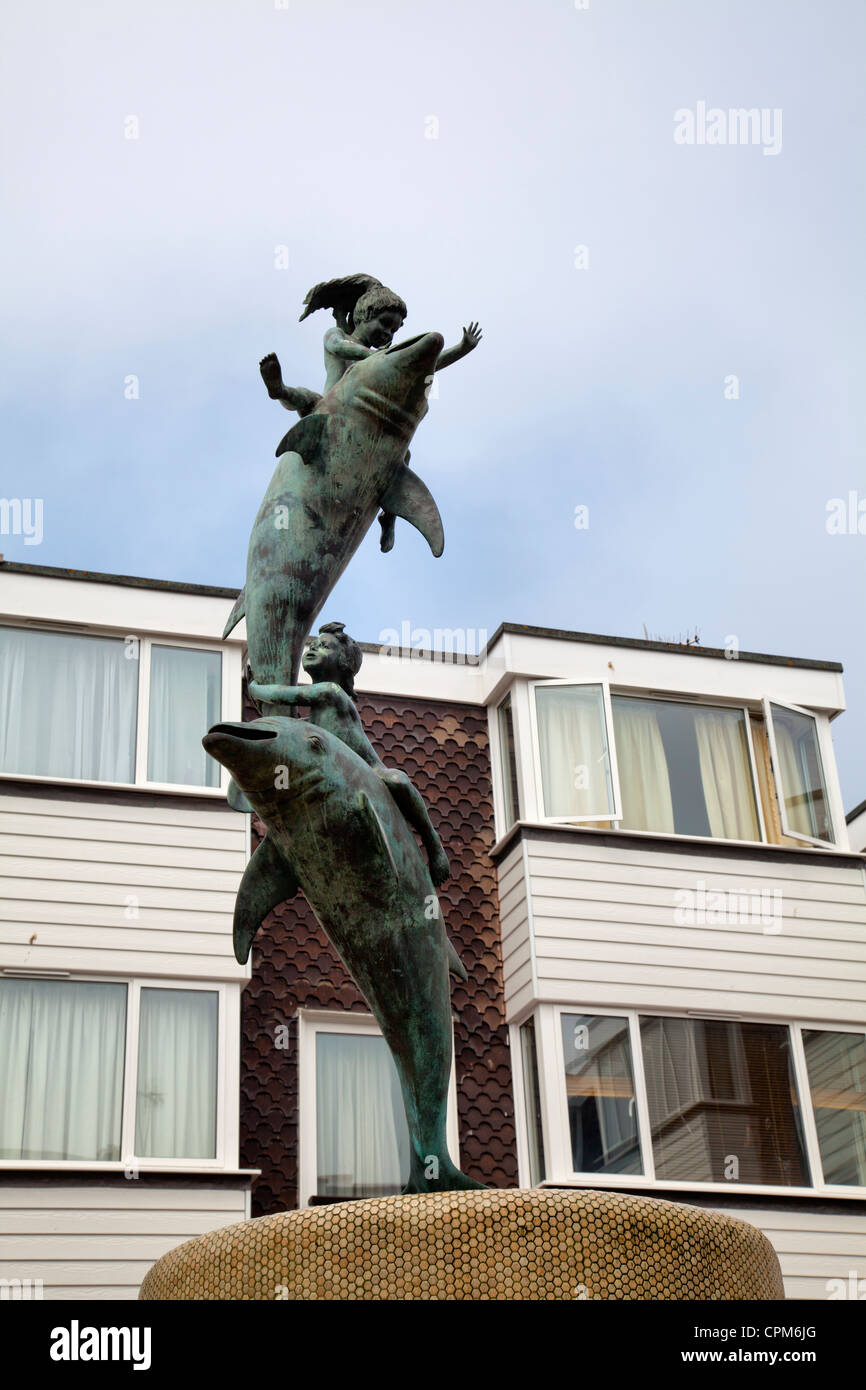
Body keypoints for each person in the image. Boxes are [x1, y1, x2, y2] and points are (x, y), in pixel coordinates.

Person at [259, 273, 481, 551]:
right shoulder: (337, 336)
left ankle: (389, 517)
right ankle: (278, 389)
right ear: (363, 315)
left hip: (360, 423)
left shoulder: (381, 356)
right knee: (306, 398)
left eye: (394, 330)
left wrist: (461, 349)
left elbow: (423, 365)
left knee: (403, 455)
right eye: (385, 324)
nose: (388, 334)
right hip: (331, 408)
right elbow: (340, 348)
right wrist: (379, 360)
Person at [249, 621, 451, 886]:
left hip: (370, 771)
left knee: (398, 781)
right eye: (312, 645)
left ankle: (433, 844)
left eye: (323, 647)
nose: (313, 649)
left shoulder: (332, 694)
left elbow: (281, 694)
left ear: (343, 663)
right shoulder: (312, 718)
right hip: (331, 774)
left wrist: (254, 688)